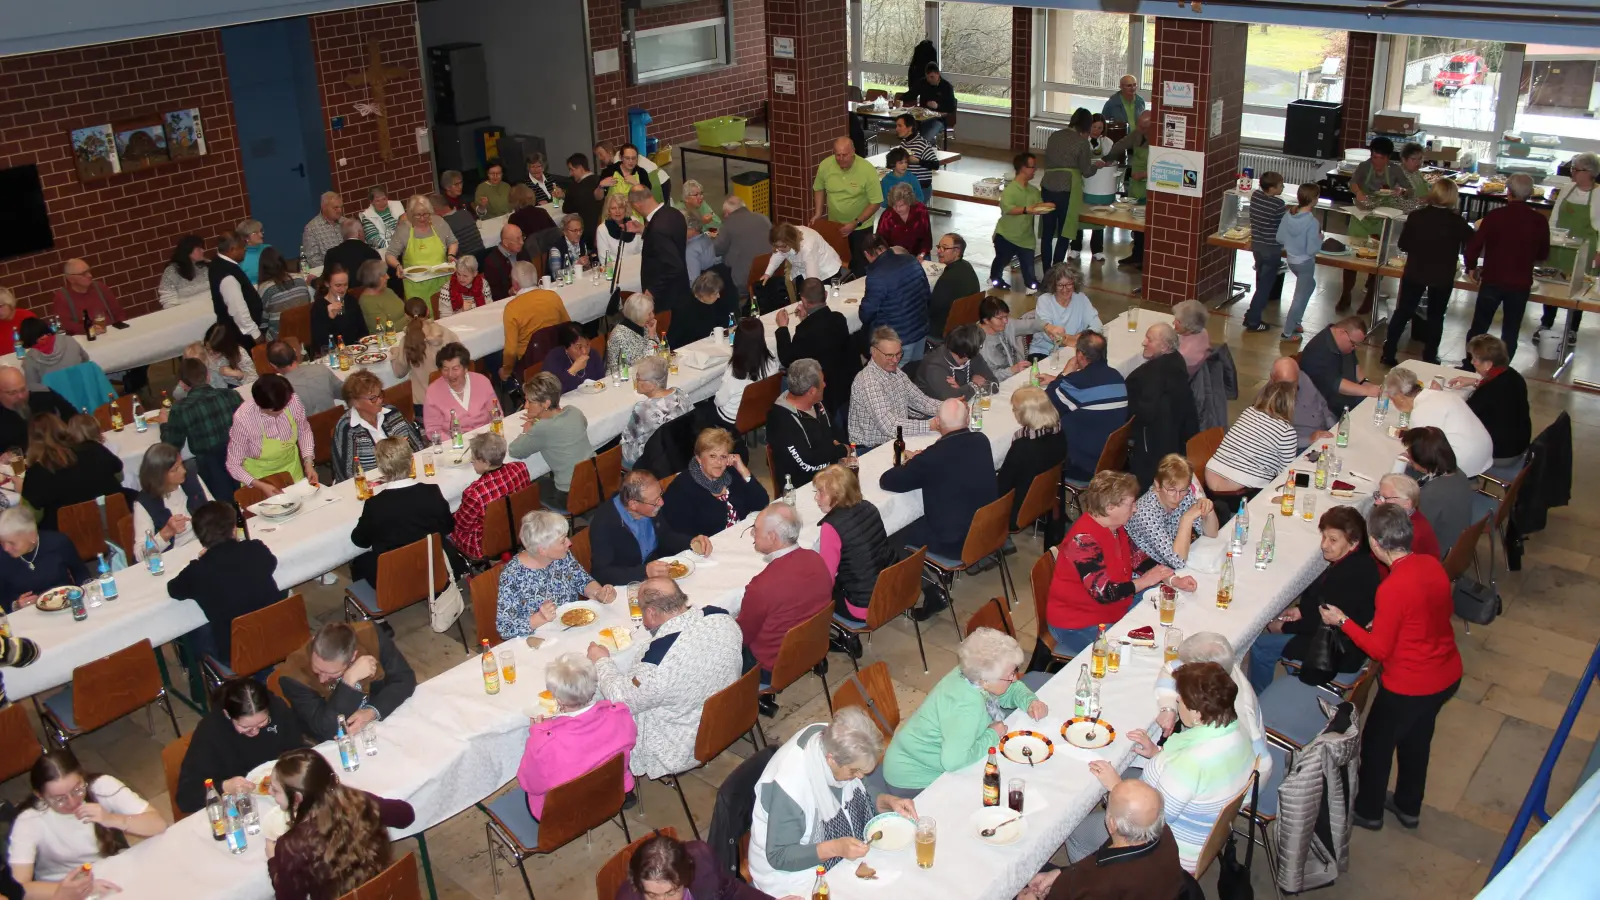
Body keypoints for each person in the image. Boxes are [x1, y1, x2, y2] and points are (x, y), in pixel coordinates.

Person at [1319, 503, 1461, 831]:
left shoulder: (1392, 587)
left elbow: (1378, 650)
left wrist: (1343, 621)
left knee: (1377, 745)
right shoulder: (1430, 564)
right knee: (1416, 741)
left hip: (1411, 684)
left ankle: (1368, 812)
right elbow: (1435, 611)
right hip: (1447, 672)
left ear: (1374, 543)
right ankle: (1409, 806)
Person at [1072, 662, 1255, 873]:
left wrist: (1116, 786)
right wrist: (1155, 753)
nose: (1176, 700)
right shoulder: (1238, 733)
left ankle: (1097, 881)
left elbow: (1149, 821)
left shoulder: (1191, 762)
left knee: (1077, 832)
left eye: (1181, 698)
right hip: (1198, 828)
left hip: (1163, 848)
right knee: (1122, 772)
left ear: (1197, 713)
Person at [749, 707, 917, 895]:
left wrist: (887, 801)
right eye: (854, 771)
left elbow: (863, 791)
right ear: (831, 760)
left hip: (828, 849)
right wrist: (835, 848)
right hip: (788, 875)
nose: (859, 777)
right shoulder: (791, 787)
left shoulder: (836, 740)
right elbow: (779, 856)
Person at [588, 577, 743, 779]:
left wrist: (601, 661)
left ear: (651, 612)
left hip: (683, 745)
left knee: (592, 703)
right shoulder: (723, 618)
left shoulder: (658, 663)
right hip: (728, 717)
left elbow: (621, 698)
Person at [881, 628, 1047, 793]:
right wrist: (992, 735)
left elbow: (1009, 689)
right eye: (1010, 674)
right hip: (913, 778)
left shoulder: (972, 674)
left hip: (938, 754)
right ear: (985, 681)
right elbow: (954, 761)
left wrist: (1029, 701)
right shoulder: (966, 705)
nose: (1015, 678)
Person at [1046, 471, 1190, 652]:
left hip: (1114, 608)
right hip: (1078, 624)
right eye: (1131, 504)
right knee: (1134, 654)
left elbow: (1138, 558)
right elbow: (1104, 592)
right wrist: (1145, 581)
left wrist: (1172, 579)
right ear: (1110, 508)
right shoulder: (1083, 540)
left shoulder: (1115, 527)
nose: (1135, 509)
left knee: (1170, 609)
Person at [1246, 505, 1381, 694]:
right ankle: (1294, 675)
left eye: (1333, 540)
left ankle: (1257, 698)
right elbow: (1323, 600)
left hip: (1338, 648)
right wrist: (1301, 610)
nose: (1324, 545)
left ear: (1353, 543)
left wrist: (1284, 627)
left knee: (1261, 646)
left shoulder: (1347, 575)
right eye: (1324, 537)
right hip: (1342, 637)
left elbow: (1319, 623)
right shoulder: (1359, 561)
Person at [881, 399, 996, 617]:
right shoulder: (981, 440)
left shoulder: (933, 457)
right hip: (985, 530)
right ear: (967, 418)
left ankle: (932, 592)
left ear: (939, 424)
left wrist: (913, 461)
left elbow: (888, 481)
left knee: (891, 535)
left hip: (954, 542)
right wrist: (922, 460)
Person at [8, 749, 166, 895]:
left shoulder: (102, 786)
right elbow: (18, 888)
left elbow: (158, 824)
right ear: (40, 796)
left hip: (110, 871)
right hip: (60, 889)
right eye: (59, 799)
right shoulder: (30, 821)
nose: (72, 802)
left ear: (82, 776)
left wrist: (112, 819)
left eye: (77, 790)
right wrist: (79, 889)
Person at [265, 748, 415, 899]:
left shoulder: (291, 846)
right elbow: (406, 815)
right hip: (390, 892)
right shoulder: (358, 801)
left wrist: (273, 861)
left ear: (297, 798)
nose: (270, 792)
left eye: (275, 790)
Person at [519, 652, 636, 820]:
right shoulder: (619, 714)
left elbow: (529, 784)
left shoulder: (543, 743)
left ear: (559, 700)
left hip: (564, 812)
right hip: (612, 793)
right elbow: (629, 742)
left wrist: (537, 736)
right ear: (594, 687)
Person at [1022, 781, 1186, 900]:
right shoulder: (1164, 833)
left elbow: (1096, 881)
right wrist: (1060, 873)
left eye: (1107, 801)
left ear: (1112, 824)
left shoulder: (1100, 885)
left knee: (1021, 875)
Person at [167, 500, 280, 666]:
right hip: (279, 636)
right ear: (234, 529)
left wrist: (201, 559)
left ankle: (194, 675)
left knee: (197, 628)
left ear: (200, 538)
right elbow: (271, 562)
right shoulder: (255, 548)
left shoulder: (198, 571)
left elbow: (173, 589)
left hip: (235, 653)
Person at [739, 503, 832, 696]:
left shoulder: (761, 587)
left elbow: (742, 637)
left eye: (756, 530)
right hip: (812, 648)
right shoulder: (816, 559)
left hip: (770, 667)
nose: (752, 534)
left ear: (772, 537)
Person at [173, 678, 303, 815]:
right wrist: (224, 787)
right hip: (240, 807)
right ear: (227, 715)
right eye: (245, 728)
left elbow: (297, 749)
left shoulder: (277, 708)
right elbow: (186, 796)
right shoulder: (210, 731)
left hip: (279, 794)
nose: (255, 732)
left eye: (263, 723)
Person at [278, 620, 417, 741]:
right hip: (334, 741)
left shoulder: (371, 635)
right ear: (313, 641)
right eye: (317, 669)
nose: (322, 679)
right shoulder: (292, 676)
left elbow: (405, 678)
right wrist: (348, 680)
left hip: (379, 722)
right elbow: (328, 729)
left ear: (353, 656)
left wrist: (372, 711)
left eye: (332, 673)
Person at [1386, 179, 1473, 365]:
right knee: (1436, 317)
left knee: (1403, 312)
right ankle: (1430, 355)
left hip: (1415, 271)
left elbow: (1403, 244)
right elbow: (1472, 242)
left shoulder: (1416, 216)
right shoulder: (1457, 221)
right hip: (1442, 275)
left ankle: (1388, 352)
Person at [1464, 174, 1550, 363]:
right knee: (1511, 331)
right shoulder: (1539, 221)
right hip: (1520, 283)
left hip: (1493, 279)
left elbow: (1474, 246)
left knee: (1479, 327)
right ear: (1530, 193)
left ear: (1508, 192)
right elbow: (1543, 253)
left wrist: (1470, 266)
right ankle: (1502, 369)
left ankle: (1470, 364)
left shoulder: (1495, 216)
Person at [349, 437, 453, 587]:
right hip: (433, 568)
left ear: (381, 468)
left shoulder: (375, 505)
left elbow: (360, 541)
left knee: (359, 562)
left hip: (396, 579)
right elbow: (448, 527)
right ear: (411, 461)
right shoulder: (431, 492)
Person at [496, 510, 616, 639]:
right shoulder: (512, 575)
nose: (569, 543)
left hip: (573, 629)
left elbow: (582, 580)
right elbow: (505, 628)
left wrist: (599, 593)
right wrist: (539, 618)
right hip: (540, 640)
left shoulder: (562, 556)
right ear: (542, 550)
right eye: (562, 541)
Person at [588, 471, 712, 585]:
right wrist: (644, 571)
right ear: (633, 504)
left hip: (656, 576)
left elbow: (665, 536)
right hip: (628, 585)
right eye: (655, 500)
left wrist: (691, 542)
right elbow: (601, 573)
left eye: (660, 494)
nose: (661, 503)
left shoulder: (651, 508)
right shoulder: (604, 523)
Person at [1043, 331, 1127, 485]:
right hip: (1112, 458)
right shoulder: (1117, 376)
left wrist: (1065, 373)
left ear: (1080, 356)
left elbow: (1047, 403)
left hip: (1083, 465)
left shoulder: (1078, 383)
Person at [1536, 152, 1600, 346]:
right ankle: (1546, 323)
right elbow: (1554, 218)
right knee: (1552, 285)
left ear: (1589, 172)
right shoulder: (1566, 189)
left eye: (1576, 169)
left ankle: (1572, 328)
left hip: (1584, 250)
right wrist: (1547, 241)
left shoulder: (1599, 195)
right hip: (1560, 245)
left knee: (1578, 288)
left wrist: (1599, 252)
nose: (1572, 172)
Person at [1124, 323, 1198, 489]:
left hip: (1152, 446)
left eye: (1149, 340)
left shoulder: (1152, 374)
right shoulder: (1178, 361)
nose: (1144, 342)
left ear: (1164, 347)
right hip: (1176, 440)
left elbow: (1143, 412)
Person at [1384, 366, 1494, 478]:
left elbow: (1422, 453)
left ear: (1400, 397)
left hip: (1463, 466)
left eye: (1392, 399)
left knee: (1400, 468)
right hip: (1484, 453)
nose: (1393, 402)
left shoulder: (1420, 412)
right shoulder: (1443, 394)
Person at [19, 414, 123, 530]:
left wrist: (21, 489)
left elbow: (30, 516)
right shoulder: (93, 447)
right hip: (116, 519)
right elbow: (119, 476)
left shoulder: (37, 473)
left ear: (32, 441)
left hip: (70, 532)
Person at [159, 358, 241, 499]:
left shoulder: (181, 409)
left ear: (182, 384)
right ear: (208, 376)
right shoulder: (231, 395)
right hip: (241, 459)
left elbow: (171, 446)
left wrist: (164, 424)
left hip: (211, 470)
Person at [510, 371, 593, 510]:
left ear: (546, 404)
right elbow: (583, 424)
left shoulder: (542, 429)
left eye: (530, 402)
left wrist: (527, 431)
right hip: (594, 480)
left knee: (529, 485)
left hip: (569, 495)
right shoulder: (573, 411)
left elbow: (514, 451)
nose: (525, 406)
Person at [663, 428, 769, 537]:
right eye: (712, 456)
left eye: (723, 456)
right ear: (699, 458)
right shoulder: (682, 487)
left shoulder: (731, 473)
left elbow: (762, 503)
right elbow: (682, 533)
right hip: (712, 544)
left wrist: (743, 470)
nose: (719, 462)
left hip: (741, 534)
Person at [849, 327, 942, 450]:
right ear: (873, 352)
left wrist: (947, 407)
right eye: (889, 355)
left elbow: (920, 400)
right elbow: (890, 427)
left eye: (898, 354)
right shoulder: (868, 381)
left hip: (895, 438)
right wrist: (930, 425)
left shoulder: (896, 372)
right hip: (871, 448)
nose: (895, 360)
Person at [1203, 380, 1300, 493]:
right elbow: (1286, 474)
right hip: (1241, 486)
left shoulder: (1249, 411)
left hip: (1211, 473)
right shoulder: (1286, 431)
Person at [227, 373, 317, 494]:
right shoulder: (244, 419)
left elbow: (304, 431)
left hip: (291, 470)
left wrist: (308, 463)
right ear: (264, 407)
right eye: (278, 410)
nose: (284, 410)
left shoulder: (291, 400)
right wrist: (260, 485)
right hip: (260, 477)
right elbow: (233, 464)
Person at [1342, 137, 1403, 314]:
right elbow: (1353, 183)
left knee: (1379, 258)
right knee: (1351, 256)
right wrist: (1358, 192)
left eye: (1381, 158)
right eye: (1374, 157)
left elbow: (1405, 188)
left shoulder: (1395, 170)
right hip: (1361, 216)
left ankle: (1370, 297)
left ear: (1388, 157)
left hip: (1382, 217)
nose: (1377, 161)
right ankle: (1346, 293)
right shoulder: (1364, 167)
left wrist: (1400, 190)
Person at [767, 359, 848, 492]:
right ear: (811, 391)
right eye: (822, 382)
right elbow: (806, 462)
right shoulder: (782, 421)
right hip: (805, 487)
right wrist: (840, 450)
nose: (825, 385)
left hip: (833, 472)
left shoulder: (817, 404)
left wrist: (840, 450)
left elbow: (837, 433)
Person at [1127, 454, 1219, 570]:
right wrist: (1186, 519)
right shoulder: (1145, 514)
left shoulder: (1183, 493)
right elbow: (1178, 562)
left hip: (1173, 563)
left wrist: (1208, 510)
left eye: (1183, 490)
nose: (1177, 497)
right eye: (1171, 490)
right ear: (1157, 485)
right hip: (1148, 571)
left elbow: (1211, 534)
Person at [1453, 334, 1531, 471]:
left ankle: (1463, 476)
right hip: (1519, 444)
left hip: (1501, 454)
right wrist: (1475, 382)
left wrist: (1439, 396)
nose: (1472, 362)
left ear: (1488, 364)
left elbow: (1463, 415)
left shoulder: (1489, 390)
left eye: (1475, 359)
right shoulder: (1513, 375)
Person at [451, 432, 531, 561]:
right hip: (520, 527)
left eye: (474, 458)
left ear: (486, 463)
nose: (471, 461)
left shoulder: (475, 492)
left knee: (445, 528)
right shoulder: (520, 467)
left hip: (486, 543)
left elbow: (461, 526)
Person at [331, 370, 422, 483]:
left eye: (380, 394)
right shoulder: (347, 428)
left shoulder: (392, 413)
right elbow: (347, 475)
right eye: (373, 398)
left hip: (405, 478)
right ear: (355, 402)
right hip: (369, 486)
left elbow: (417, 448)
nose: (380, 400)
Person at [1399, 425, 1476, 555]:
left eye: (1411, 455)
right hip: (1455, 544)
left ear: (1424, 460)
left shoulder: (1431, 495)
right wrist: (1411, 465)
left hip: (1434, 553)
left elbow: (1410, 533)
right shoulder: (1457, 473)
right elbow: (1424, 476)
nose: (1408, 455)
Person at [997, 386, 1066, 529]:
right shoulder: (1060, 433)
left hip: (1018, 509)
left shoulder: (1023, 446)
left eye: (1015, 409)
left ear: (1025, 414)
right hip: (1044, 498)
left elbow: (1002, 486)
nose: (1014, 412)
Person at [813, 137, 883, 276]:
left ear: (853, 152)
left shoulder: (867, 169)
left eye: (844, 155)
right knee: (835, 264)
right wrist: (818, 213)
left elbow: (876, 202)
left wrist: (856, 222)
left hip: (861, 227)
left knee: (861, 268)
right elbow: (818, 188)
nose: (840, 159)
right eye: (837, 155)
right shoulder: (825, 165)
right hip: (836, 226)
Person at [0, 507, 90, 612]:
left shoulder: (58, 543)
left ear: (32, 536)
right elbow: (2, 597)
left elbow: (80, 572)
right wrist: (16, 605)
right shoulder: (2, 557)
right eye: (2, 542)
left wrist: (79, 595)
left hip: (65, 605)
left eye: (12, 543)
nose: (6, 548)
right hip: (27, 614)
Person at [1039, 109, 1098, 268]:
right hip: (1067, 189)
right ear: (1087, 125)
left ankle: (1046, 270)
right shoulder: (1082, 142)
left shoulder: (1054, 136)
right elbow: (1086, 171)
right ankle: (1057, 270)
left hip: (1047, 186)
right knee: (1065, 232)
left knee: (1047, 233)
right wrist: (1097, 166)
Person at [130, 442, 210, 561]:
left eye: (181, 464)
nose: (183, 471)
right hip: (174, 558)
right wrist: (166, 533)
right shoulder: (145, 503)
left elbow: (215, 510)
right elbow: (140, 556)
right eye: (175, 469)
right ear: (159, 476)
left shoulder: (192, 479)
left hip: (204, 546)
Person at [860, 236, 931, 361]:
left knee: (895, 372)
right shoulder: (911, 260)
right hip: (920, 329)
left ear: (866, 254)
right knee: (915, 369)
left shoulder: (876, 275)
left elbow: (866, 314)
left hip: (897, 339)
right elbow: (926, 293)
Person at [499, 261, 570, 382]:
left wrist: (506, 371)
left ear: (515, 284)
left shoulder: (512, 308)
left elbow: (511, 350)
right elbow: (567, 326)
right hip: (558, 358)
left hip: (530, 366)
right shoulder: (552, 296)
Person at [621, 355, 692, 469]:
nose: (635, 381)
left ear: (652, 385)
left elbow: (626, 444)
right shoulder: (679, 393)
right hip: (681, 451)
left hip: (654, 461)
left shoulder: (642, 409)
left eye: (638, 378)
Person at [1300, 316, 1380, 417]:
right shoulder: (1318, 351)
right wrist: (1366, 390)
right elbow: (1336, 384)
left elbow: (1355, 363)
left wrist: (1364, 382)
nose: (1354, 347)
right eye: (1353, 343)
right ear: (1341, 332)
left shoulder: (1344, 344)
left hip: (1347, 397)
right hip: (1326, 408)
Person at [389, 298, 461, 409]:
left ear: (406, 316)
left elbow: (399, 372)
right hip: (451, 396)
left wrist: (395, 354)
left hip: (424, 403)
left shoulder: (407, 340)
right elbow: (461, 358)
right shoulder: (446, 333)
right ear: (428, 311)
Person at [1275, 183, 1324, 340]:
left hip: (1292, 260)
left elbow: (1280, 238)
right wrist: (1320, 238)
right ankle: (1288, 332)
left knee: (1311, 285)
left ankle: (1297, 321)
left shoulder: (1288, 215)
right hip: (1305, 263)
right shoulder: (1312, 222)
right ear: (1314, 199)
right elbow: (1311, 249)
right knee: (1299, 298)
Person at [711, 318, 778, 432]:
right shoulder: (771, 359)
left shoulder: (734, 371)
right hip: (761, 410)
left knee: (700, 410)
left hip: (732, 419)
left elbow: (719, 401)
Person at [1106, 110, 1153, 268]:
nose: (1139, 129)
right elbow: (1120, 145)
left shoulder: (1159, 139)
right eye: (1139, 126)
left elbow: (1163, 167)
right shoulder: (1137, 134)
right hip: (1136, 185)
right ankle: (1136, 255)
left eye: (1144, 127)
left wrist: (1145, 174)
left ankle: (1146, 259)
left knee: (1147, 224)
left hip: (1149, 186)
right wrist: (1107, 159)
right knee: (1136, 222)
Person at [1243, 171, 1288, 332]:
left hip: (1257, 247)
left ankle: (1250, 315)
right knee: (1264, 288)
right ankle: (1253, 321)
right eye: (1280, 185)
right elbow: (1284, 225)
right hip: (1272, 249)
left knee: (1261, 283)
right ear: (1271, 188)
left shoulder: (1255, 196)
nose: (1283, 187)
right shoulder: (1278, 204)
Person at [991, 152, 1042, 292]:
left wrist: (1046, 207)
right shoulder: (1010, 190)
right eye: (1032, 167)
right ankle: (995, 279)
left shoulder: (1033, 191)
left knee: (1028, 267)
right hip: (1007, 235)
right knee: (1002, 260)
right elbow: (1007, 208)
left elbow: (1038, 206)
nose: (1035, 170)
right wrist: (1026, 209)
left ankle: (1031, 285)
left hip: (1026, 238)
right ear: (1023, 168)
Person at [424, 342, 497, 437]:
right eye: (445, 369)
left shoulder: (482, 381)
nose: (450, 374)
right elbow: (433, 430)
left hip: (487, 437)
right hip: (454, 442)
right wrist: (456, 441)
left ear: (465, 368)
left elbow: (496, 414)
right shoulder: (432, 392)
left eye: (455, 369)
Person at [1028, 264, 1101, 357]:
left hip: (1075, 349)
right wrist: (1076, 340)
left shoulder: (1081, 298)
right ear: (1053, 285)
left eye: (1069, 284)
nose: (1065, 289)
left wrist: (1077, 338)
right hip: (1044, 351)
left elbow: (1097, 325)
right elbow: (1049, 336)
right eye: (1060, 285)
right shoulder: (1044, 300)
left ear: (1075, 283)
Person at [1071, 115, 1118, 259]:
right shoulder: (1081, 141)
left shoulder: (1107, 142)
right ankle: (1075, 247)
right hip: (1084, 181)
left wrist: (1109, 162)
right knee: (1080, 214)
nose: (1096, 131)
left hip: (1100, 184)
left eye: (1100, 128)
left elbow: (1113, 159)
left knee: (1099, 214)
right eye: (1094, 127)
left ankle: (1097, 249)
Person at [1267, 356, 1336, 453]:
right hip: (1302, 446)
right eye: (1284, 384)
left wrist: (1334, 428)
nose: (1290, 389)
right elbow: (1276, 442)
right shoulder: (1267, 402)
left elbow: (1322, 404)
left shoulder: (1302, 377)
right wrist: (1309, 440)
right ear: (1272, 379)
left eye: (1293, 383)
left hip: (1326, 433)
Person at [209, 233, 267, 348]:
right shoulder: (227, 275)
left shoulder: (218, 263)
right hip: (242, 336)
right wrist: (256, 334)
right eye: (243, 247)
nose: (245, 250)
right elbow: (238, 309)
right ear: (232, 250)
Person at [267, 336, 346, 419]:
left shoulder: (279, 391)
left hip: (306, 427)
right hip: (335, 422)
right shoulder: (321, 369)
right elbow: (345, 393)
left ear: (273, 365)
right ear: (295, 352)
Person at [713, 195, 773, 301]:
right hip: (769, 273)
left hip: (743, 281)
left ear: (727, 213)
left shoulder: (729, 223)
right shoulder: (763, 218)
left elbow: (717, 250)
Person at [915, 323, 994, 401]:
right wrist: (974, 385)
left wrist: (961, 389)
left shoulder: (973, 356)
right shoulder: (934, 366)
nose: (980, 349)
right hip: (933, 408)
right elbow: (952, 400)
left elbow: (993, 384)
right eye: (980, 346)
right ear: (967, 352)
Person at [1374, 472, 1442, 559]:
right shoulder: (1401, 518)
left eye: (1385, 498)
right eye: (1378, 496)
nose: (1377, 502)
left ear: (1406, 503)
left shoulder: (1408, 535)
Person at [761, 222, 842, 291]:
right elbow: (778, 254)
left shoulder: (807, 247)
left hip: (826, 270)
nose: (779, 249)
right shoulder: (784, 236)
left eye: (782, 246)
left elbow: (812, 278)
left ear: (791, 242)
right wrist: (768, 273)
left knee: (823, 298)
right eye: (776, 246)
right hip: (804, 270)